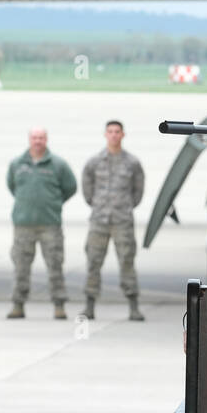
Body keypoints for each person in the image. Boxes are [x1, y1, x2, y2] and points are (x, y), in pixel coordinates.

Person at [6, 127, 77, 319]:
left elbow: (70, 187)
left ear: (46, 140)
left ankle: (59, 305)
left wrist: (52, 203)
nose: (38, 141)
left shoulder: (58, 165)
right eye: (35, 137)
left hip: (49, 224)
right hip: (24, 224)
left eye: (41, 138)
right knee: (21, 267)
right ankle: (18, 304)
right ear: (29, 140)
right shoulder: (17, 164)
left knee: (55, 266)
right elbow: (12, 186)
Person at [82, 120, 146, 321]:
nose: (113, 135)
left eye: (117, 131)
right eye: (110, 131)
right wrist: (98, 205)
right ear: (105, 134)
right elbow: (87, 188)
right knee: (93, 261)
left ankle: (133, 305)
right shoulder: (94, 162)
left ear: (123, 135)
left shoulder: (132, 163)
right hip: (99, 220)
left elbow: (138, 191)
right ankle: (89, 305)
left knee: (127, 261)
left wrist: (125, 206)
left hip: (122, 220)